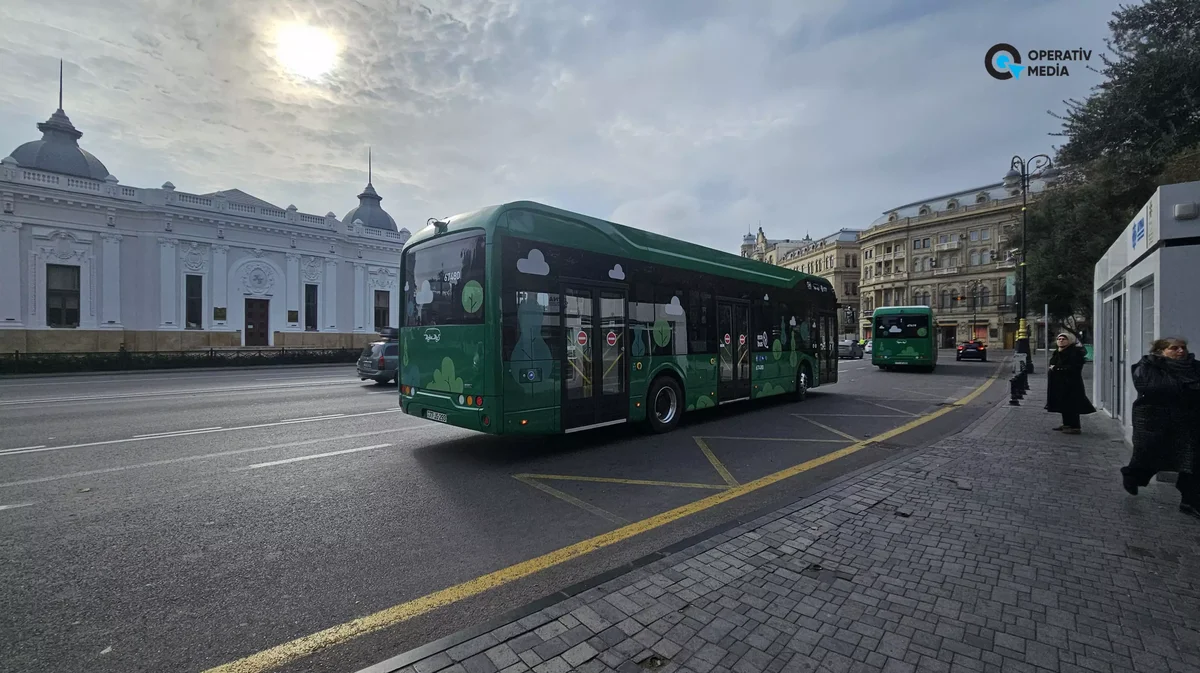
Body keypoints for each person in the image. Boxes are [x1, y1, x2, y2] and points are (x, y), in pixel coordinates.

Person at [1120, 337, 1200, 518]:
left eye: (1183, 348)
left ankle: (1190, 500)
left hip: (1189, 421)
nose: (1181, 351)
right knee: (1150, 455)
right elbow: (1156, 387)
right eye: (1174, 348)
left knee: (1193, 460)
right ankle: (1133, 476)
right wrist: (1189, 387)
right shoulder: (1148, 366)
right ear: (1161, 351)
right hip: (1155, 420)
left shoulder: (1194, 367)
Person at [1045, 332, 1095, 434]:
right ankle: (1066, 424)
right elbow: (1052, 362)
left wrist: (1057, 368)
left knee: (1072, 404)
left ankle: (1075, 427)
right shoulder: (1058, 352)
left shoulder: (1074, 353)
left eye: (1064, 339)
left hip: (1071, 384)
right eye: (1059, 339)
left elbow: (1074, 368)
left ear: (1070, 341)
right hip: (1059, 383)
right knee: (1063, 404)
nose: (1061, 340)